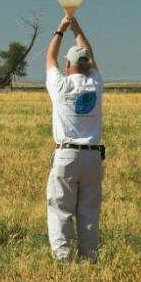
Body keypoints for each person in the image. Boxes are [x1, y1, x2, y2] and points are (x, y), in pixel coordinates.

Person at [44, 15, 104, 262]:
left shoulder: (60, 84)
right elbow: (89, 52)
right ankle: (90, 258)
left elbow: (49, 58)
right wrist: (77, 27)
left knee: (60, 209)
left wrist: (61, 29)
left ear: (67, 65)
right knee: (89, 211)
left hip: (66, 154)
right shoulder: (95, 83)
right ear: (88, 65)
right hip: (92, 156)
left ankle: (63, 259)